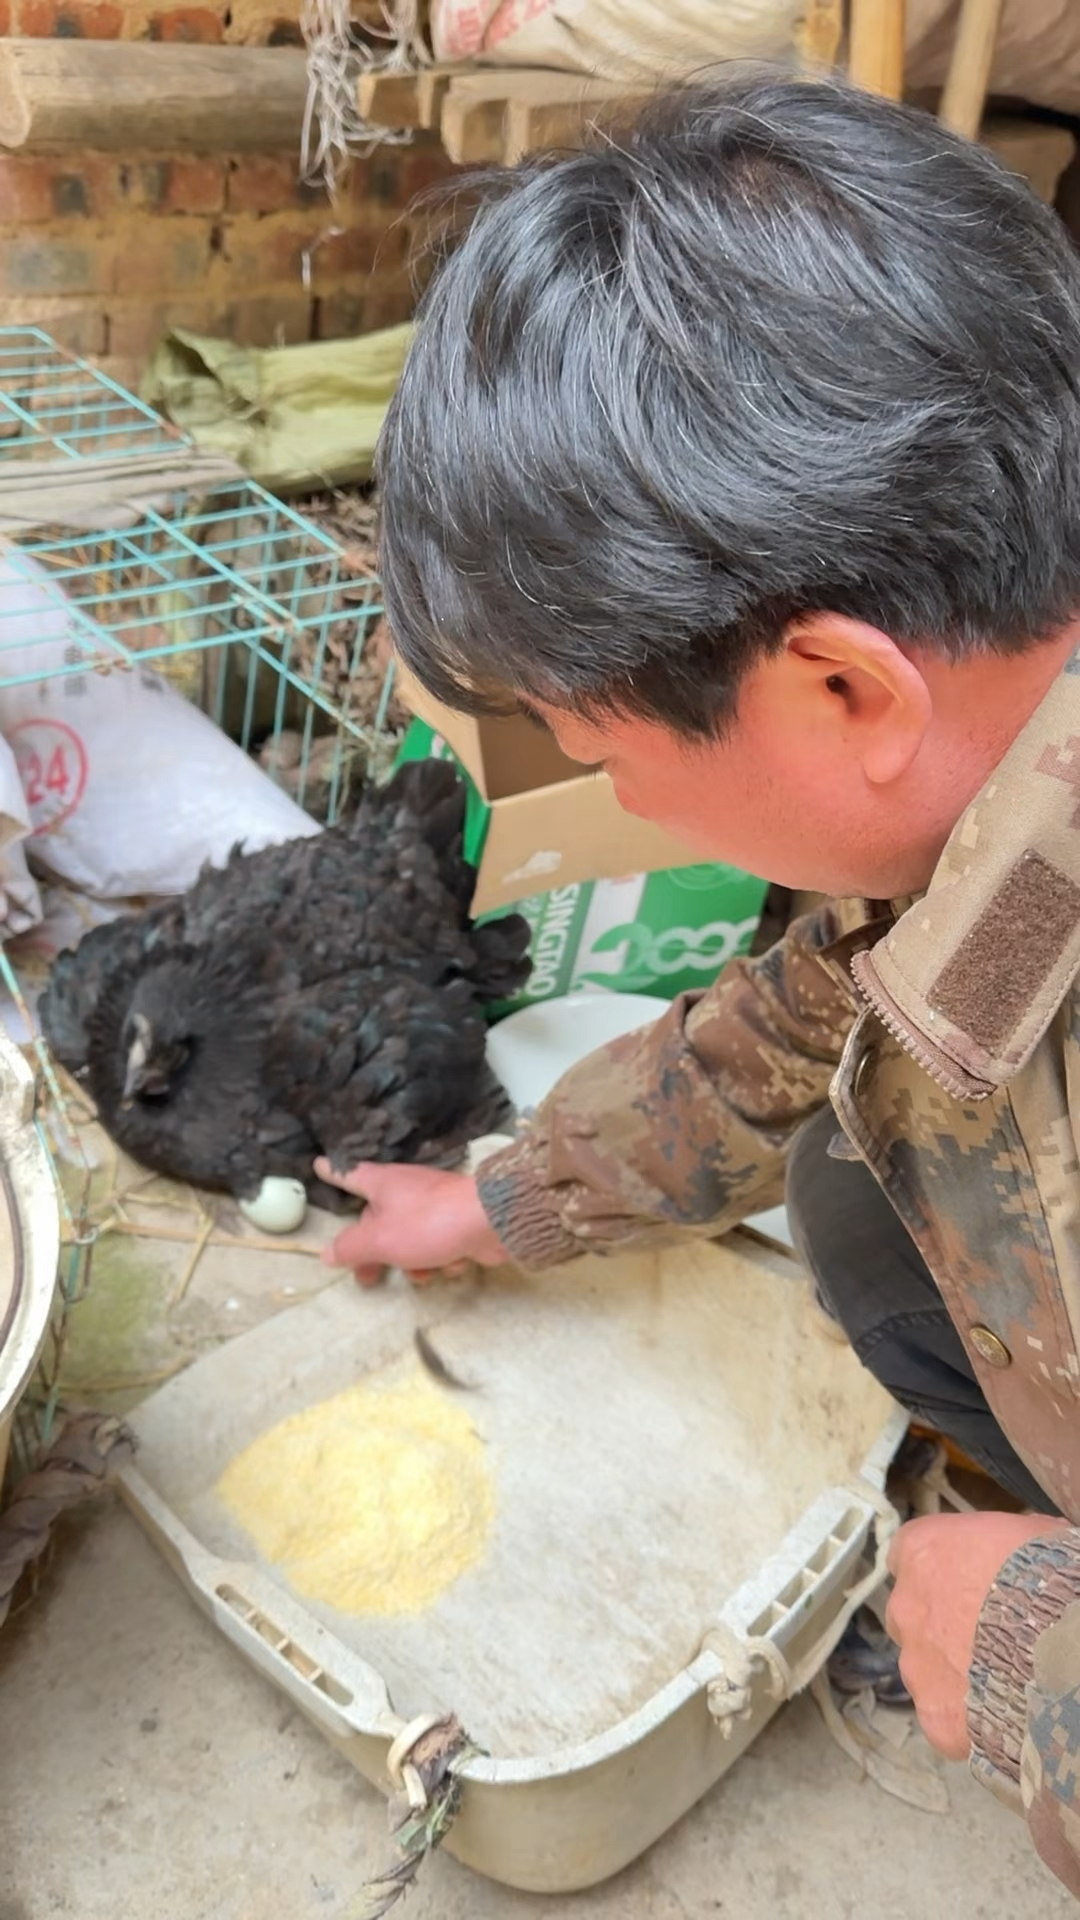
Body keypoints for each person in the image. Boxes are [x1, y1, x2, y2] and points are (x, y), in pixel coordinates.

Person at [317, 70, 1080, 1892]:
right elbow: (810, 1021)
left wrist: (1034, 1653)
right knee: (861, 1183)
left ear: (845, 690)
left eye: (604, 757)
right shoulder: (998, 816)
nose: (621, 812)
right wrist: (502, 1201)